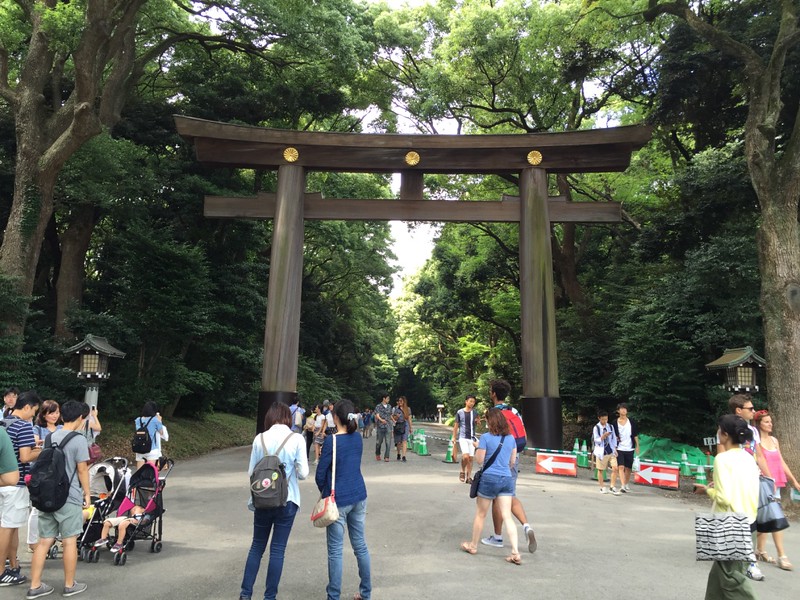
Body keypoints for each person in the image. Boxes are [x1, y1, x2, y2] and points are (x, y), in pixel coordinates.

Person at [240, 401, 308, 600]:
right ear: (288, 418)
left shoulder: (259, 438)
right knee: (277, 550)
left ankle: (245, 595)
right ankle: (269, 597)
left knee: (256, 547)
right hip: (287, 501)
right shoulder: (296, 439)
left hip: (262, 500)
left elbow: (251, 472)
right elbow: (303, 473)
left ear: (269, 417)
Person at [26, 399, 92, 599]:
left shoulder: (51, 437)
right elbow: (82, 469)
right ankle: (70, 585)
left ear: (62, 416)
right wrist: (87, 494)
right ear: (81, 418)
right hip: (68, 497)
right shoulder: (79, 439)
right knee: (69, 541)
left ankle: (35, 586)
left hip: (47, 495)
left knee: (44, 541)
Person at [694, 414, 759, 600]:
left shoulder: (721, 459)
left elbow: (724, 498)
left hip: (730, 525)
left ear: (724, 434)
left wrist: (707, 491)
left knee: (731, 579)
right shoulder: (748, 458)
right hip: (750, 522)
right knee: (718, 576)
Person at [315, 399, 371, 600]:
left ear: (335, 417)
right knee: (360, 546)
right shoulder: (356, 438)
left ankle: (334, 596)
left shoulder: (332, 441)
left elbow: (320, 474)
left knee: (335, 552)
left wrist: (324, 493)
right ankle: (365, 593)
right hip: (359, 495)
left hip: (338, 499)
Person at [480, 380, 537, 554]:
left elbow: (492, 437)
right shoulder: (514, 411)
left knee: (498, 497)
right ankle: (526, 526)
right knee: (509, 494)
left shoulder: (494, 414)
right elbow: (523, 434)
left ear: (493, 394)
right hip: (514, 457)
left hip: (497, 461)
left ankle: (497, 537)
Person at [460, 408, 521, 565]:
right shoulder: (511, 438)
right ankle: (515, 551)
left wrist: (478, 446)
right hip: (506, 478)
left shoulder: (486, 438)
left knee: (481, 514)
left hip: (489, 479)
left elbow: (480, 460)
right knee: (507, 516)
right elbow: (512, 462)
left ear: (490, 421)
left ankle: (473, 545)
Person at [724, 394, 771, 582]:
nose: (754, 411)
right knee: (734, 517)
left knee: (751, 520)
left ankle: (750, 562)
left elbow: (759, 456)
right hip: (735, 481)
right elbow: (722, 454)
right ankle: (737, 558)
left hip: (752, 479)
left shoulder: (753, 430)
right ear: (738, 410)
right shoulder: (726, 427)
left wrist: (769, 478)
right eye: (750, 409)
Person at [0, 390, 41, 587]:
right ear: (26, 407)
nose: (33, 415)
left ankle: (13, 564)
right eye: (33, 411)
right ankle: (1, 571)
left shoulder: (4, 422)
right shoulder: (23, 425)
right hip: (15, 483)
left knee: (10, 527)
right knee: (7, 528)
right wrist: (41, 451)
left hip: (2, 481)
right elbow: (25, 457)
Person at [754, 410, 798, 571]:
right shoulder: (755, 441)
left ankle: (760, 550)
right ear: (759, 424)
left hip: (776, 484)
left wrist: (794, 481)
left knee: (766, 518)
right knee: (774, 518)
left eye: (770, 421)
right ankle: (782, 555)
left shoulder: (774, 440)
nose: (770, 424)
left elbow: (781, 461)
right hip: (763, 484)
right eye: (766, 422)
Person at [29, 400, 63, 553]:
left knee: (58, 504)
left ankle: (56, 538)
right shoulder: (38, 428)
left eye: (57, 412)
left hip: (58, 472)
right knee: (37, 508)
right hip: (41, 472)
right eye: (51, 412)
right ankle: (32, 541)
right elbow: (35, 442)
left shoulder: (62, 428)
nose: (55, 415)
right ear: (43, 414)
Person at [611, 403, 639, 493]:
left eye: (625, 409)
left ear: (627, 411)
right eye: (621, 409)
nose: (623, 410)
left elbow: (635, 434)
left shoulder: (632, 422)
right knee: (621, 467)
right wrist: (614, 447)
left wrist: (637, 445)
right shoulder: (614, 423)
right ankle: (622, 486)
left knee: (628, 468)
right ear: (618, 411)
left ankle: (626, 483)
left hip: (630, 448)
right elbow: (613, 436)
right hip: (619, 448)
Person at [452, 394, 479, 483]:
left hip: (472, 438)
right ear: (466, 401)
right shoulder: (460, 412)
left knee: (471, 458)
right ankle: (462, 470)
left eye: (473, 402)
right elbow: (456, 426)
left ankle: (468, 477)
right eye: (470, 401)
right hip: (463, 437)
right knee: (466, 456)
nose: (472, 403)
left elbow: (477, 421)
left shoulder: (475, 413)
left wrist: (477, 422)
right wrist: (454, 437)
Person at [593, 410, 619, 495]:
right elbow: (595, 440)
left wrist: (615, 448)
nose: (605, 421)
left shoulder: (610, 427)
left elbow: (614, 438)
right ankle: (602, 487)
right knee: (600, 470)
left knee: (615, 468)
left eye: (606, 419)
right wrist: (602, 437)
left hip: (610, 450)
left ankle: (612, 486)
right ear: (599, 418)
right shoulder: (596, 428)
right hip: (601, 451)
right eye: (603, 419)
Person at [134, 401, 164, 469]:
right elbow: (161, 432)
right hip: (151, 449)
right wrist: (159, 421)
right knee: (150, 472)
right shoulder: (155, 420)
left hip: (139, 448)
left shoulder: (138, 420)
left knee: (139, 473)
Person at [373, 393, 392, 462]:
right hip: (380, 426)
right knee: (379, 442)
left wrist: (394, 420)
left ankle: (386, 456)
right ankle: (377, 453)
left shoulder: (389, 406)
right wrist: (381, 420)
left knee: (388, 442)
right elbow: (377, 415)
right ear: (384, 398)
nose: (388, 400)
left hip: (388, 426)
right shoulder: (378, 406)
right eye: (387, 398)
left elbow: (390, 415)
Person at [392, 396, 411, 462]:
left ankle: (404, 456)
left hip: (405, 425)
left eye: (401, 401)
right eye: (399, 401)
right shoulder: (396, 409)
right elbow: (394, 419)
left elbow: (409, 419)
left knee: (404, 441)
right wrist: (396, 417)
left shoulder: (408, 409)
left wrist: (410, 428)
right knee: (399, 442)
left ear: (404, 402)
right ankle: (398, 453)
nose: (399, 402)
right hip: (398, 425)